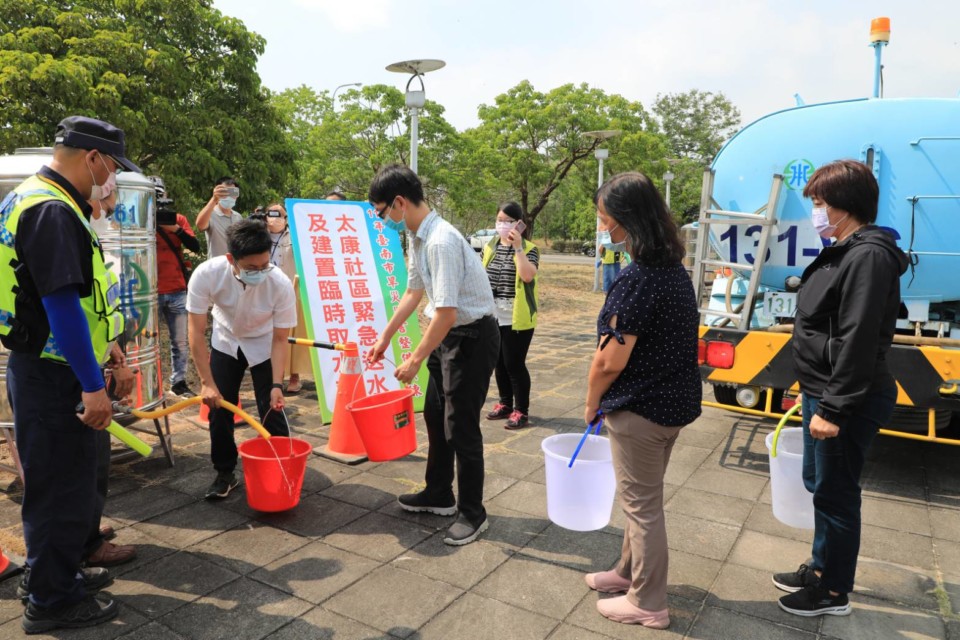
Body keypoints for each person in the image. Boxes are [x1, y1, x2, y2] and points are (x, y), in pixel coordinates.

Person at [1, 115, 140, 632]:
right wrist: (91, 386)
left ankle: (49, 576)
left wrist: (108, 354)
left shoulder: (29, 196)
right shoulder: (54, 211)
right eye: (111, 168)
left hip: (44, 365)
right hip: (55, 370)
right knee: (60, 489)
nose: (110, 180)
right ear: (93, 158)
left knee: (61, 484)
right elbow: (61, 305)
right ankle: (52, 600)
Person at [773, 160, 907, 617]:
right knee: (821, 484)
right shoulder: (848, 249)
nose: (815, 211)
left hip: (847, 396)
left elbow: (858, 338)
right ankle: (820, 564)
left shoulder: (868, 255)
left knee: (836, 493)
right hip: (825, 388)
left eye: (819, 202)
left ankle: (832, 591)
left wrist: (833, 408)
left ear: (844, 205)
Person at [582, 172, 701, 629]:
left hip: (641, 410)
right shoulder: (672, 270)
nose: (604, 229)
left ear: (627, 221)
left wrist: (591, 403)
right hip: (670, 406)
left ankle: (648, 602)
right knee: (642, 500)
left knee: (642, 507)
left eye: (605, 221)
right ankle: (627, 573)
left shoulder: (638, 279)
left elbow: (609, 361)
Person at [366, 164, 498, 546]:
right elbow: (413, 292)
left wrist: (416, 358)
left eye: (381, 212)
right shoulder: (417, 237)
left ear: (400, 203)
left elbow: (446, 312)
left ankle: (473, 513)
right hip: (449, 336)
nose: (382, 220)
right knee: (436, 415)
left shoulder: (440, 240)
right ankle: (439, 493)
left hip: (470, 339)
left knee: (461, 427)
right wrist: (385, 337)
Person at [187, 219, 297, 500]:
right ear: (230, 259)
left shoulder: (279, 283)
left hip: (264, 342)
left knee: (271, 408)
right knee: (219, 407)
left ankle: (283, 470)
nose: (259, 272)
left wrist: (277, 385)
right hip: (225, 339)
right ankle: (225, 472)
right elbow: (196, 333)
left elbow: (280, 339)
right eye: (251, 268)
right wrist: (206, 383)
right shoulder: (207, 274)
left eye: (264, 266)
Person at [482, 201, 539, 429]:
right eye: (499, 220)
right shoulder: (491, 246)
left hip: (517, 317)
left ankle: (521, 410)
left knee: (514, 364)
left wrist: (518, 248)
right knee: (499, 363)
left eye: (507, 221)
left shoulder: (530, 248)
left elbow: (527, 276)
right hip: (493, 316)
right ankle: (505, 403)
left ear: (519, 224)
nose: (502, 225)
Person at [155, 185, 201, 397]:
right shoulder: (136, 221)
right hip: (148, 291)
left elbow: (195, 246)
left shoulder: (178, 219)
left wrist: (176, 230)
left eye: (162, 196)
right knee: (146, 341)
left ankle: (178, 382)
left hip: (176, 288)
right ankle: (150, 385)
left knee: (180, 341)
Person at [263, 202, 310, 393]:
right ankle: (275, 376)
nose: (275, 218)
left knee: (292, 333)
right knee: (269, 334)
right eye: (271, 214)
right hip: (266, 289)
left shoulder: (296, 237)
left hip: (292, 287)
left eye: (279, 214)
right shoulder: (261, 235)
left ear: (286, 218)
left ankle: (294, 376)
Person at [195, 176, 242, 258]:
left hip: (236, 268)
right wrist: (214, 199)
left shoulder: (238, 217)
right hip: (216, 268)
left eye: (233, 192)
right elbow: (200, 225)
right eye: (224, 192)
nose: (229, 196)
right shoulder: (210, 214)